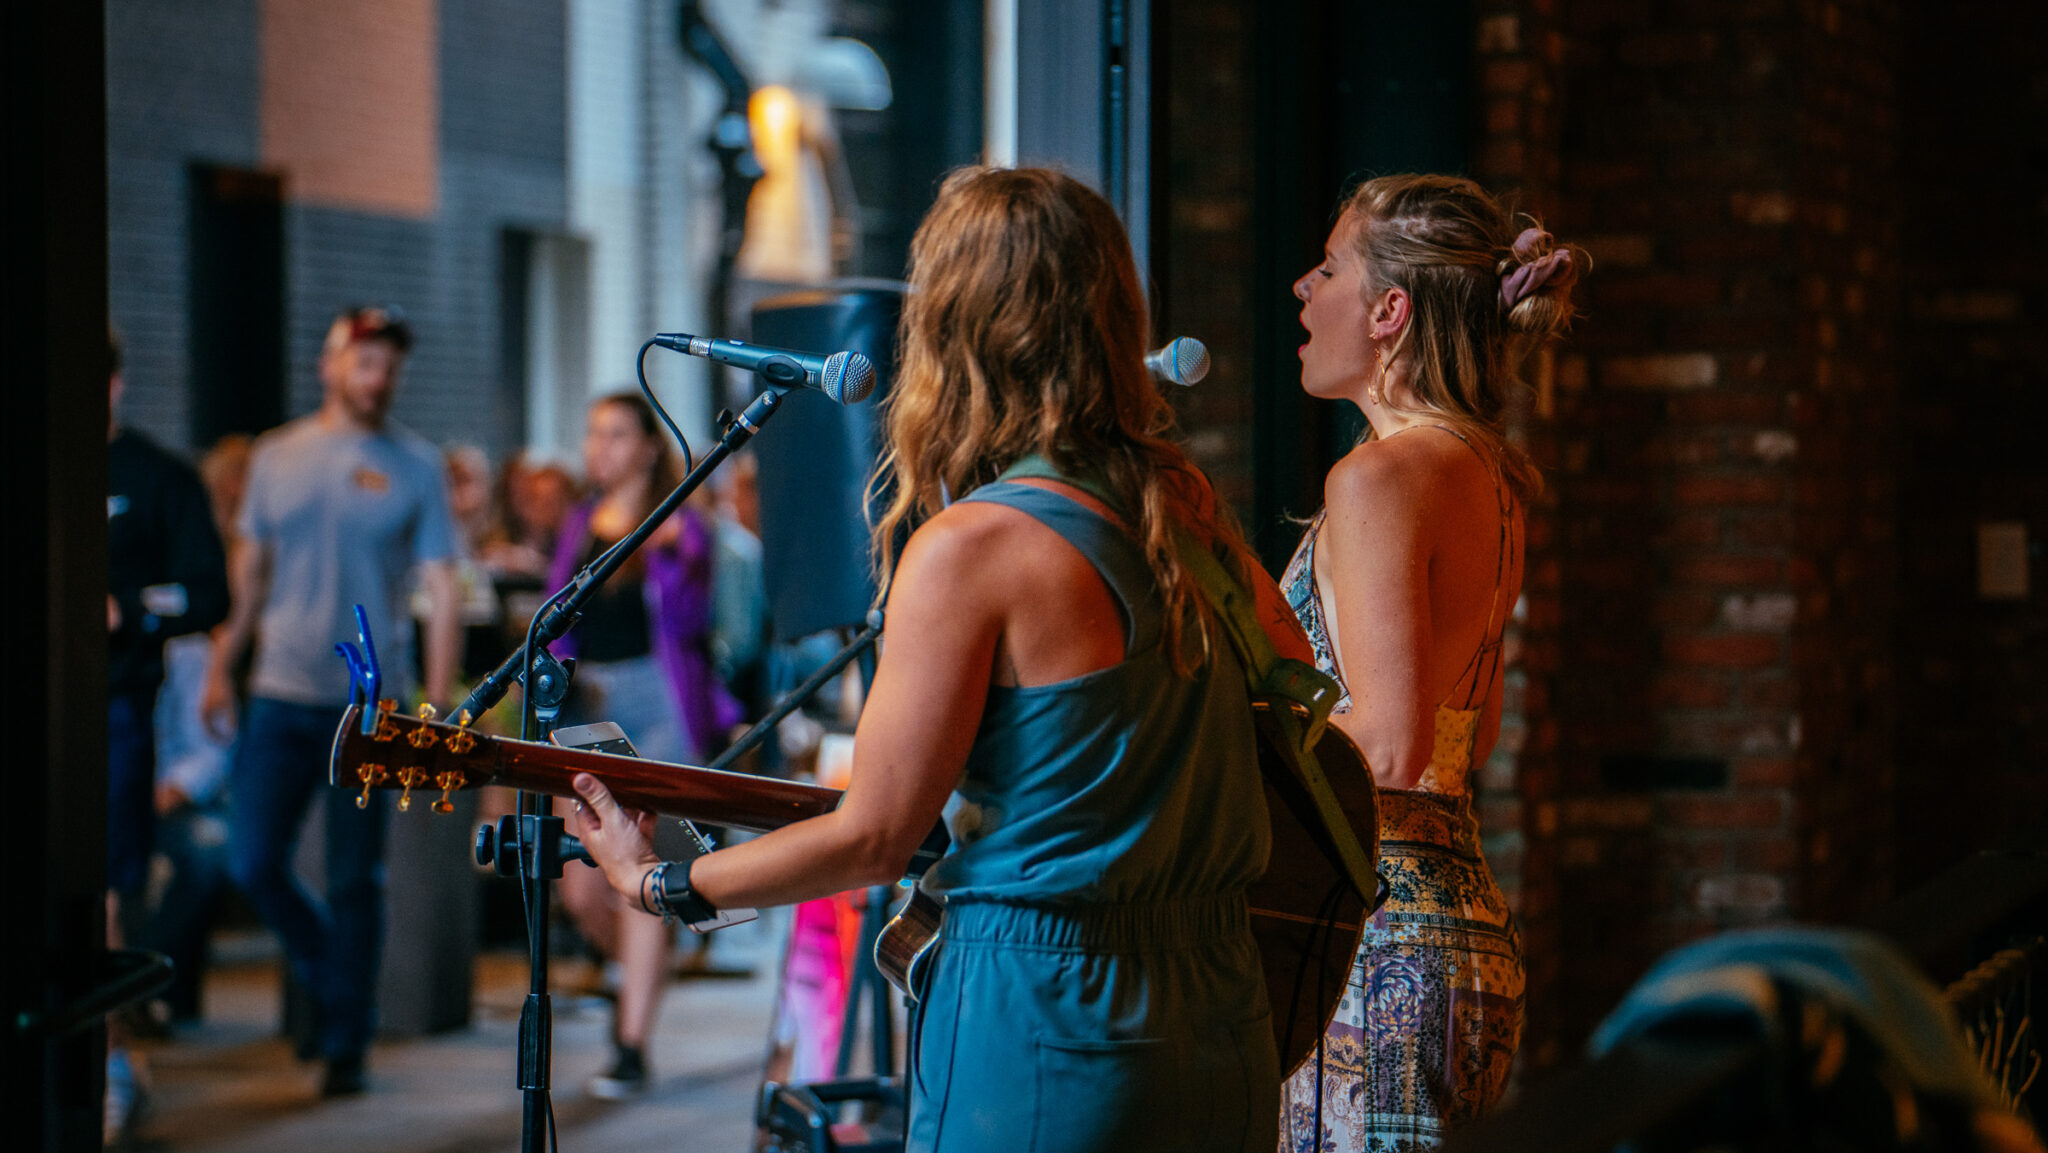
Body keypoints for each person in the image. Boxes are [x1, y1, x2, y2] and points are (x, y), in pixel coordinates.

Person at [570, 166, 1311, 1153]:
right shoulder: (1185, 514)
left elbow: (873, 837)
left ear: (954, 329)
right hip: (1220, 1016)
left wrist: (662, 884)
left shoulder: (973, 547)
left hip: (1047, 1019)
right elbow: (1301, 696)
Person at [1277, 174, 1582, 1150]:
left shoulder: (1378, 476)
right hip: (1462, 931)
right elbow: (1464, 735)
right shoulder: (1484, 476)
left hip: (1367, 946)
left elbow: (1393, 746)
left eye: (1327, 266)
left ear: (1386, 311)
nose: (1299, 288)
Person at [201, 305, 461, 1098]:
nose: (378, 377)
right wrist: (223, 662)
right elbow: (251, 572)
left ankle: (345, 1044)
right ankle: (334, 981)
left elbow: (442, 586)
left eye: (390, 365)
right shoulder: (278, 456)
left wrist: (440, 703)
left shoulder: (417, 465)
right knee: (250, 859)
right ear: (331, 364)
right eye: (365, 361)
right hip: (278, 691)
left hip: (370, 706)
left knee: (357, 878)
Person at [548, 391, 738, 1099]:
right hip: (591, 706)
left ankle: (631, 1043)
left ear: (648, 446)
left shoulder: (681, 525)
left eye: (617, 433)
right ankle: (645, 962)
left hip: (659, 705)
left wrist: (678, 549)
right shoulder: (579, 524)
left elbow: (693, 617)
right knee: (581, 887)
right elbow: (556, 618)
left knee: (646, 877)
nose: (601, 446)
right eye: (594, 433)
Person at [105, 327, 230, 1142]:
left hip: (118, 711)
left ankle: (111, 1063)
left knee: (103, 891)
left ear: (115, 383)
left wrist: (129, 606)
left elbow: (207, 595)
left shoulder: (160, 478)